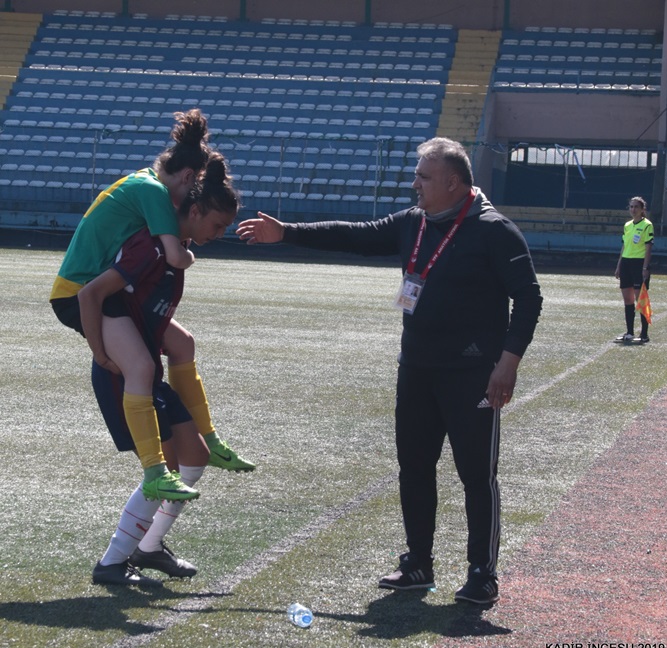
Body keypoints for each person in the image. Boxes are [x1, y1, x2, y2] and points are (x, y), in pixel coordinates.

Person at [236, 137, 543, 605]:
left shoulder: (494, 230)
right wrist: (288, 232)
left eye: (423, 176)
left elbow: (529, 298)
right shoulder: (414, 223)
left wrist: (508, 362)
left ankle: (482, 573)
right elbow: (354, 235)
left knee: (476, 475)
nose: (414, 183)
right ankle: (418, 563)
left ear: (453, 182)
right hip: (417, 369)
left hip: (473, 375)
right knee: (414, 467)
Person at [50, 110, 254, 503]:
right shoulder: (156, 192)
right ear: (187, 179)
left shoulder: (143, 183)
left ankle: (209, 439)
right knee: (141, 367)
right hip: (81, 292)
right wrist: (98, 349)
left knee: (183, 344)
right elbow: (175, 256)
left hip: (97, 290)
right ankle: (154, 470)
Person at [83, 157, 240, 585]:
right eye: (218, 224)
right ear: (193, 210)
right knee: (167, 463)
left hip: (149, 373)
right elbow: (93, 296)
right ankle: (113, 562)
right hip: (125, 374)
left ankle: (148, 548)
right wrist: (101, 353)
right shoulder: (151, 246)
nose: (219, 235)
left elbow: (155, 320)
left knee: (195, 456)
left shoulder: (175, 254)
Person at [614, 196, 653, 344]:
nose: (633, 209)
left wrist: (645, 267)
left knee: (640, 300)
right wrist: (619, 265)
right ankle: (629, 332)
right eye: (631, 207)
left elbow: (649, 247)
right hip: (626, 263)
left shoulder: (647, 225)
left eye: (636, 207)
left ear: (642, 209)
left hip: (639, 264)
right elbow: (624, 246)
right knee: (628, 299)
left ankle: (644, 334)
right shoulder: (627, 225)